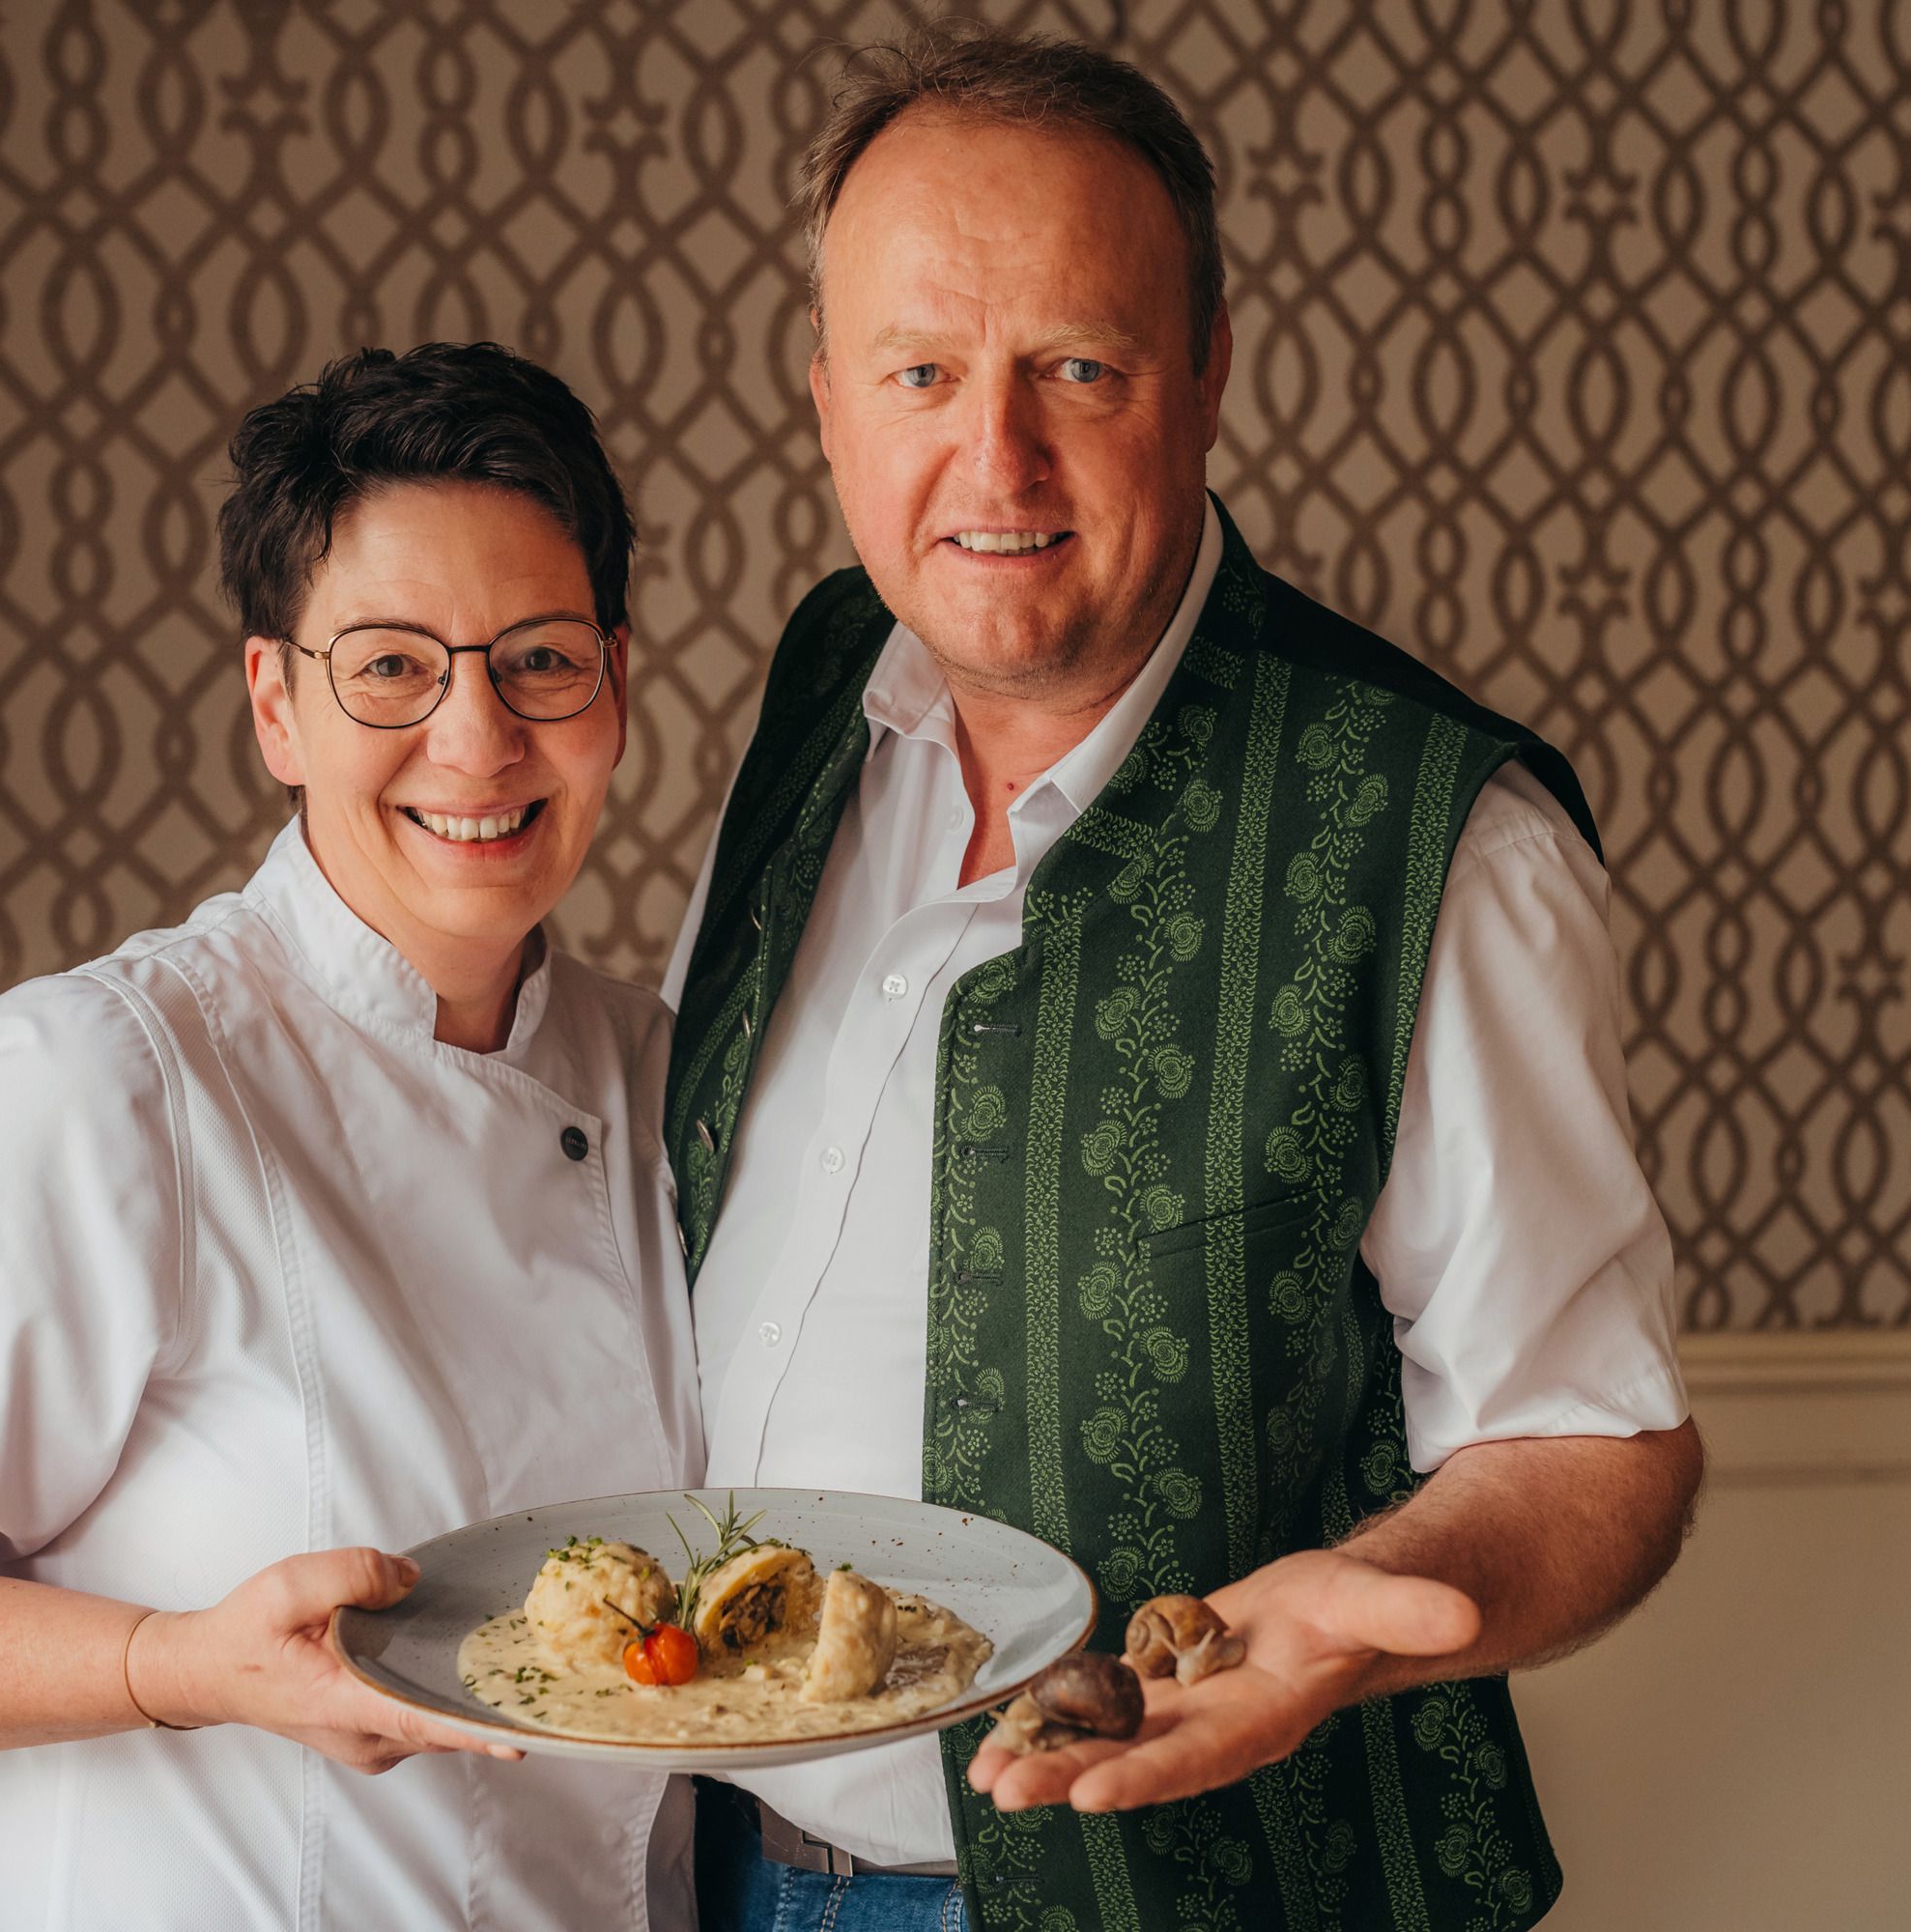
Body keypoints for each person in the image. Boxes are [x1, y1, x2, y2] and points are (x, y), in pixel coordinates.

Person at [664, 25, 1703, 1932]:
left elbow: (1594, 1444)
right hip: (709, 1871)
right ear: (825, 402)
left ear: (1209, 374)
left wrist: (1354, 1630)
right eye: (920, 373)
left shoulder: (1436, 835)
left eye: (1080, 367)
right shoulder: (824, 685)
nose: (995, 459)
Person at [0, 342, 703, 1930]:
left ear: (617, 686)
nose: (477, 737)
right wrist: (180, 1666)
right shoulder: (110, 1073)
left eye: (539, 659)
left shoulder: (662, 1075)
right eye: (391, 667)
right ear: (275, 706)